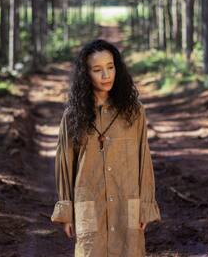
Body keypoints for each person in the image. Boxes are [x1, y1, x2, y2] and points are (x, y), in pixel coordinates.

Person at [50, 39, 161, 256]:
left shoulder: (135, 112)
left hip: (127, 203)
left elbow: (144, 160)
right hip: (89, 203)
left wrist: (145, 207)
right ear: (86, 74)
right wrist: (67, 211)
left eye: (110, 67)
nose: (106, 75)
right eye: (97, 70)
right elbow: (65, 164)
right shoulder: (72, 116)